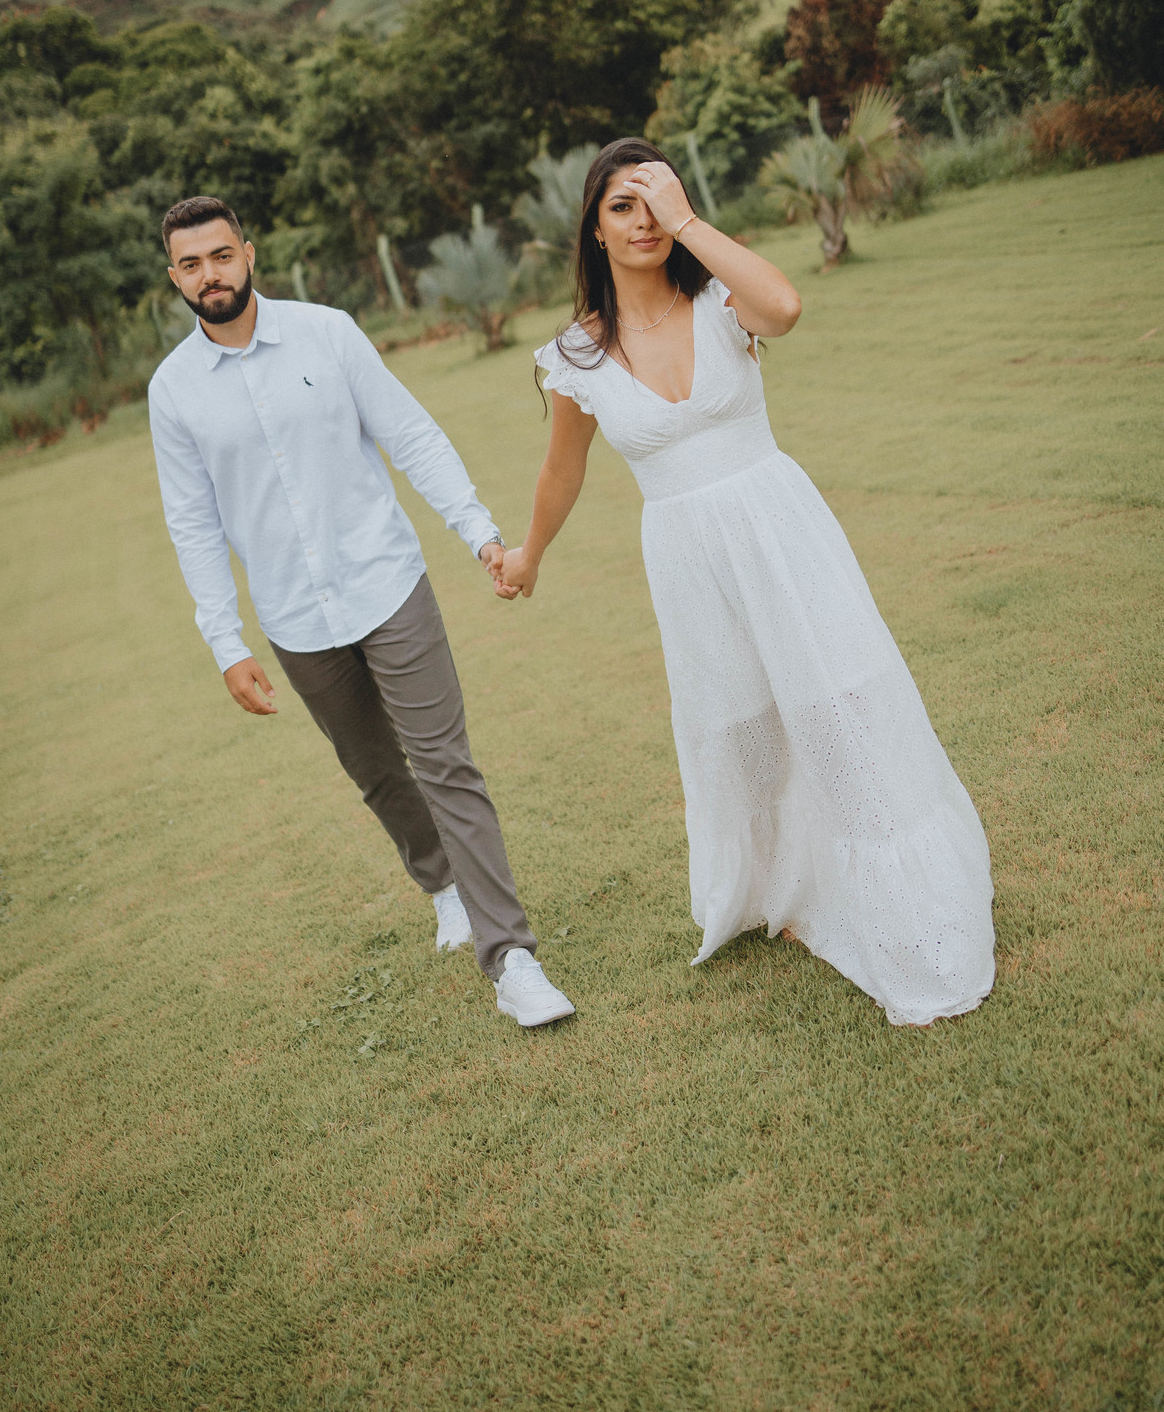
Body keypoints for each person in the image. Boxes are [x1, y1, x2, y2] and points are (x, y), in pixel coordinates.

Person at [497, 140, 995, 1027]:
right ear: (595, 229)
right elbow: (561, 470)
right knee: (739, 730)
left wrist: (689, 222)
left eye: (657, 199)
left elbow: (787, 306)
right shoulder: (576, 356)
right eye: (623, 206)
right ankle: (780, 888)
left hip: (781, 531)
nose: (644, 221)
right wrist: (529, 553)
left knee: (838, 701)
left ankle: (909, 902)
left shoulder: (721, 299)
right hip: (687, 560)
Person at [147, 195, 574, 1028]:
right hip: (293, 617)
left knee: (445, 765)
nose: (210, 275)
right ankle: (443, 884)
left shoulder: (327, 332)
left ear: (248, 254)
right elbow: (192, 522)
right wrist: (225, 642)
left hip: (387, 583)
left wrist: (479, 533)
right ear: (175, 277)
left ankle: (512, 959)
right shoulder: (173, 392)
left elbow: (410, 435)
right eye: (191, 265)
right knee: (375, 769)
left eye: (221, 256)